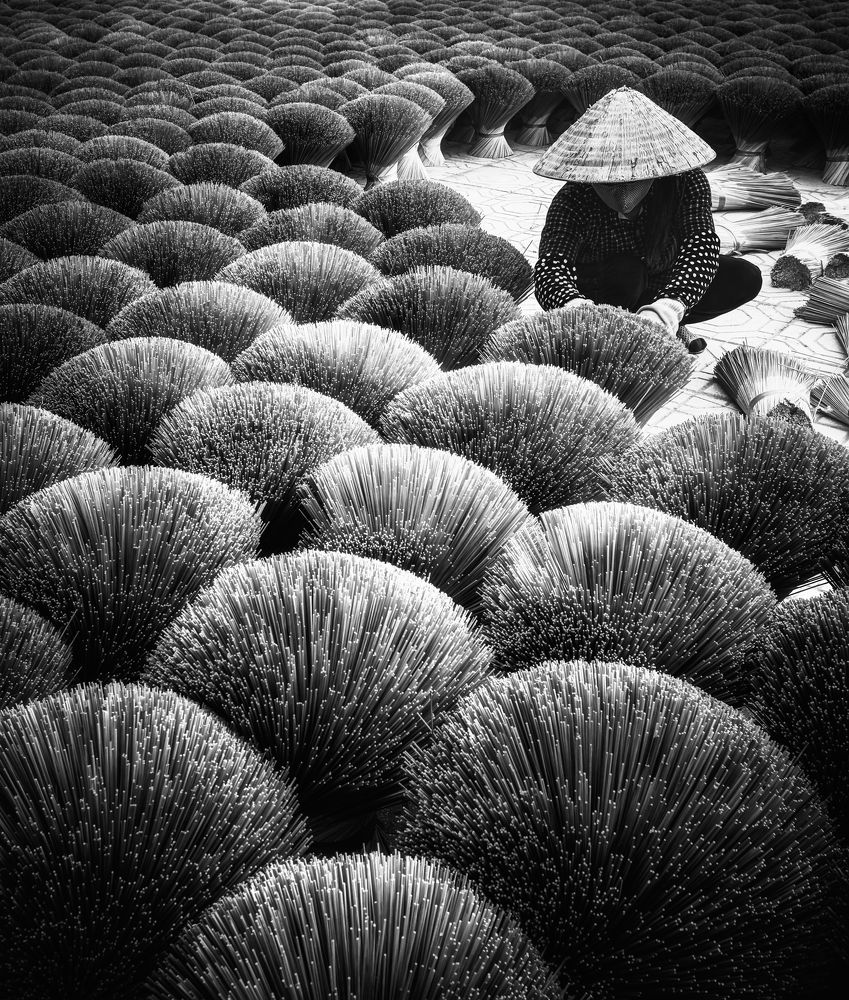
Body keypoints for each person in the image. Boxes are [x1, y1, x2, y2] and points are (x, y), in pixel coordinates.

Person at [532, 87, 763, 354]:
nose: (621, 192)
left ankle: (662, 322)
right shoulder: (573, 198)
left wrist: (668, 308)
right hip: (603, 289)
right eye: (609, 182)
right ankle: (622, 328)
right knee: (627, 273)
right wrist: (579, 311)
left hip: (659, 277)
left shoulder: (685, 182)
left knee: (744, 276)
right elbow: (550, 268)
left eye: (632, 178)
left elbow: (700, 245)